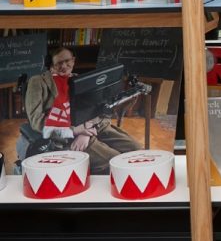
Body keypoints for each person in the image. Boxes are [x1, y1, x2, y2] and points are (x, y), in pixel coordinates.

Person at [24, 46, 141, 174]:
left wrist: (85, 132)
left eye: (67, 61)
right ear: (51, 64)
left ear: (73, 60)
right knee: (115, 161)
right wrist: (74, 131)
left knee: (136, 150)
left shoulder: (81, 79)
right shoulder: (38, 82)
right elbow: (37, 121)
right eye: (59, 63)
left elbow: (96, 107)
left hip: (95, 126)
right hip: (67, 135)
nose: (64, 66)